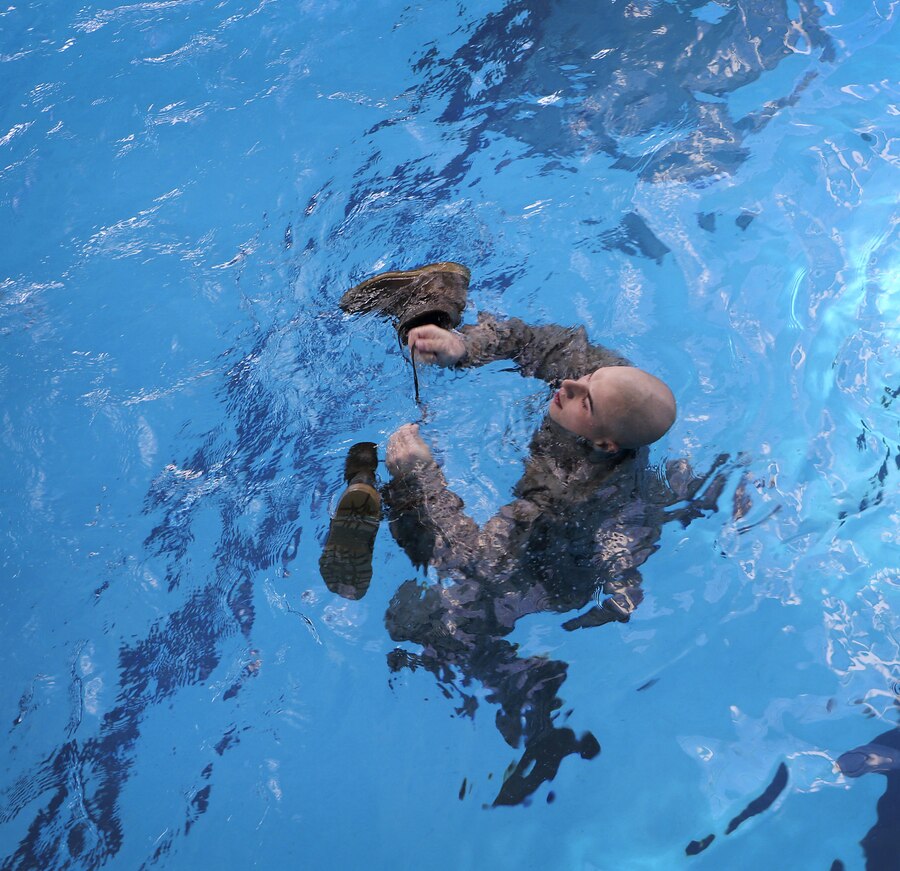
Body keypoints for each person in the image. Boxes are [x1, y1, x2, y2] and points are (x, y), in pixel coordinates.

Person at [322, 262, 727, 804]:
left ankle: (527, 682)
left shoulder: (566, 494)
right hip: (608, 509)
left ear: (606, 443)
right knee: (435, 619)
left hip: (555, 567)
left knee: (424, 620)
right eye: (585, 380)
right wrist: (462, 347)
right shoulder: (607, 379)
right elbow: (530, 340)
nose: (569, 384)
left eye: (584, 398)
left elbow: (478, 560)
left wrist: (424, 473)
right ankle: (428, 306)